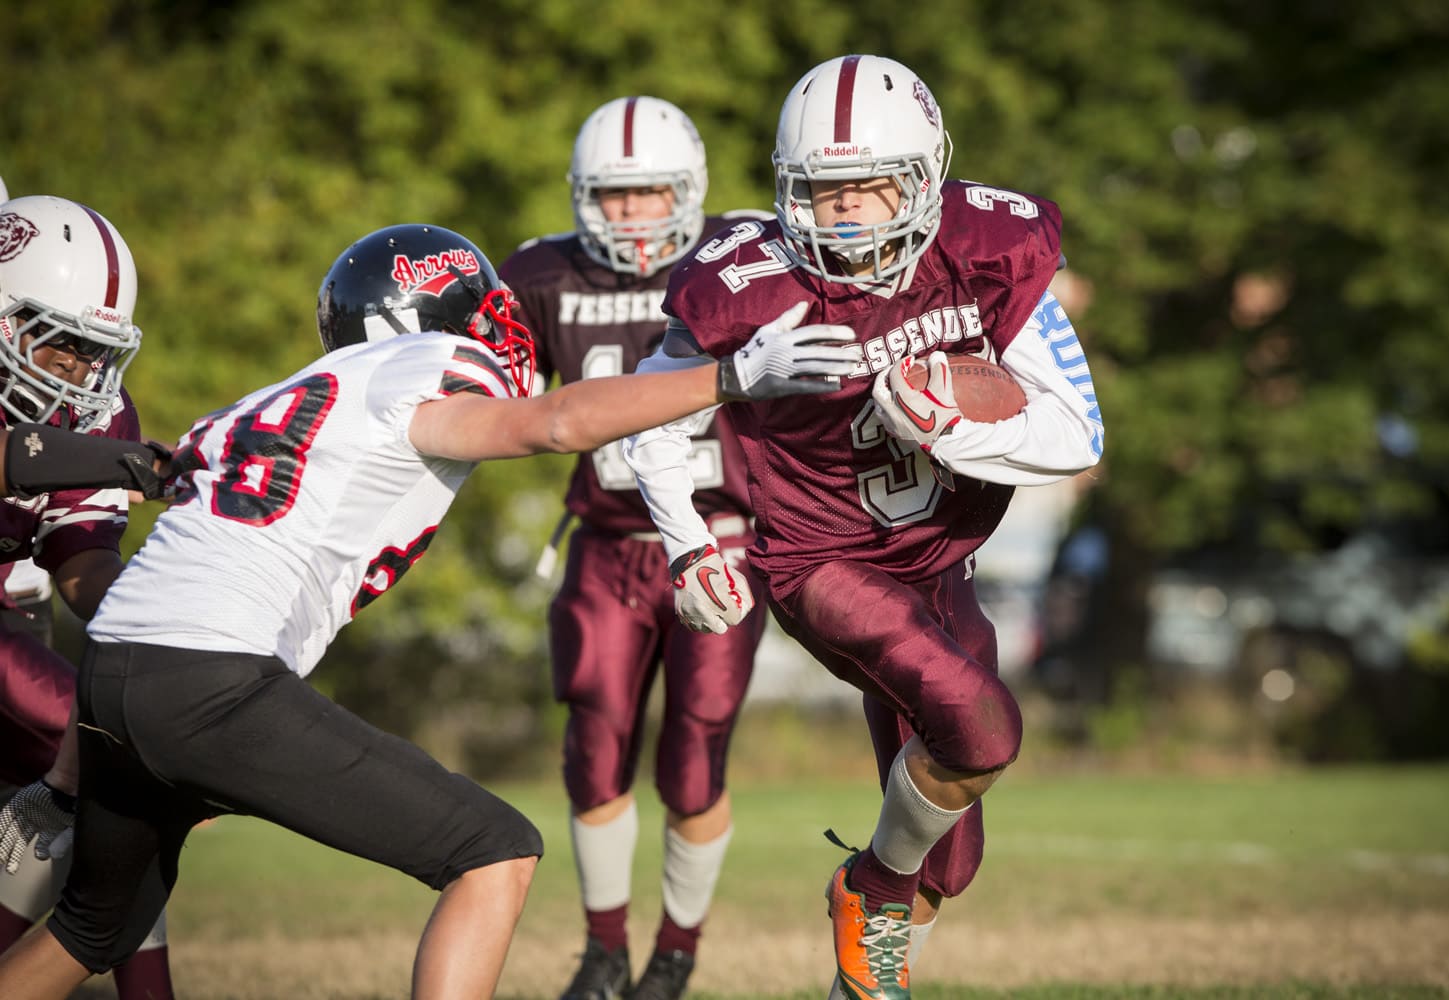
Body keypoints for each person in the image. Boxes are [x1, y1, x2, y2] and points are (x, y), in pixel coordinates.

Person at [0, 221, 859, 1000]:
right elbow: (557, 425)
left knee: (89, 929)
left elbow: (142, 602)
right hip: (209, 676)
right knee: (494, 852)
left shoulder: (274, 400)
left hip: (115, 675)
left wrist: (66, 781)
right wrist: (731, 377)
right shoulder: (428, 370)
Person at [623, 55, 1105, 1000]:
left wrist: (959, 425)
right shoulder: (747, 283)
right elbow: (647, 409)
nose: (845, 215)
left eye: (870, 188)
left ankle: (863, 977)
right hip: (819, 562)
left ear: (926, 177)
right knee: (983, 730)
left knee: (951, 858)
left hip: (942, 561)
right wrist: (686, 537)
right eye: (821, 191)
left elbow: (1075, 430)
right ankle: (869, 887)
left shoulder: (990, 247)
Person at [499, 95, 768, 1000]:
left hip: (722, 539)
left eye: (653, 192)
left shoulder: (743, 254)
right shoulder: (538, 274)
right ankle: (605, 949)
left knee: (695, 758)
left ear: (688, 190)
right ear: (584, 196)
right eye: (616, 196)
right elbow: (476, 386)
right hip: (608, 544)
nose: (635, 214)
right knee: (595, 744)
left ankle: (677, 955)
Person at [0, 192, 177, 1000]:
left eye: (94, 349)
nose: (79, 369)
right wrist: (130, 465)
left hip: (11, 614)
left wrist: (155, 634)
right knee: (103, 732)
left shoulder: (93, 413)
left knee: (129, 788)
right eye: (62, 342)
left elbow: (79, 555)